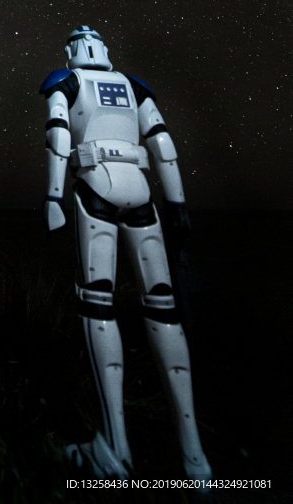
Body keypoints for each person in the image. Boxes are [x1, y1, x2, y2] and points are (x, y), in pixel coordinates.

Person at [40, 26, 210, 481]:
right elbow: (162, 144)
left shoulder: (67, 82)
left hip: (94, 187)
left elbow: (59, 134)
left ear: (72, 50)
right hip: (143, 195)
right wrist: (176, 205)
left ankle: (115, 450)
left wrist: (53, 196)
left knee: (97, 303)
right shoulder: (134, 87)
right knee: (163, 308)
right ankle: (194, 458)